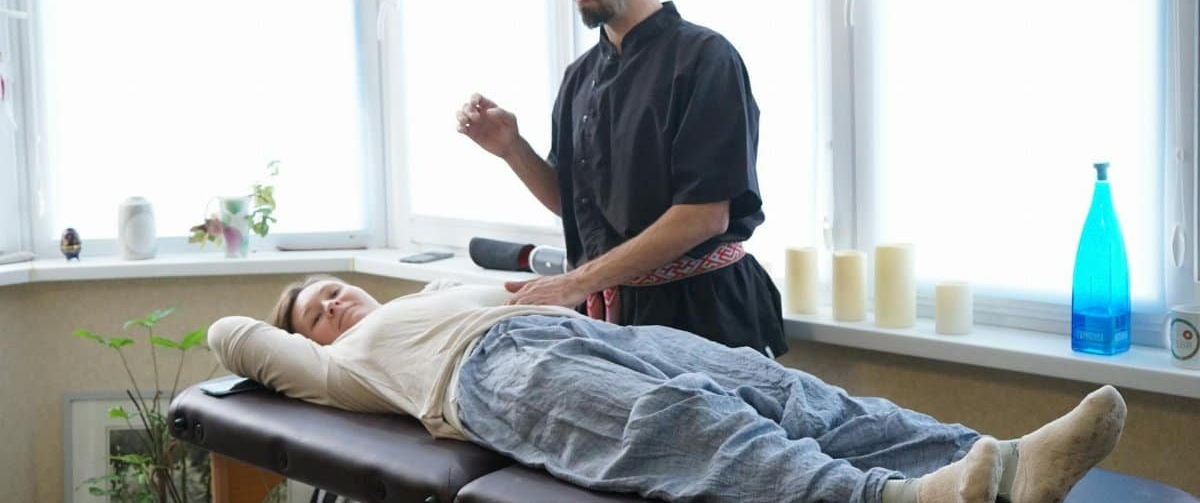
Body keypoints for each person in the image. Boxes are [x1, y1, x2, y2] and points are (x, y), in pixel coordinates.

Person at [211, 274, 1127, 503]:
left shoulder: (434, 288)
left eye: (332, 290)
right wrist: (285, 319)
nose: (331, 303)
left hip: (585, 329)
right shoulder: (344, 365)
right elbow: (232, 336)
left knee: (782, 390)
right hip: (493, 375)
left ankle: (990, 463)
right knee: (693, 426)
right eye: (314, 311)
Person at [456, 0, 786, 357]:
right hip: (609, 315)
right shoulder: (578, 77)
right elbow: (575, 203)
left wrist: (574, 282)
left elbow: (705, 214)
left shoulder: (706, 59)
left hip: (703, 316)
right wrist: (513, 148)